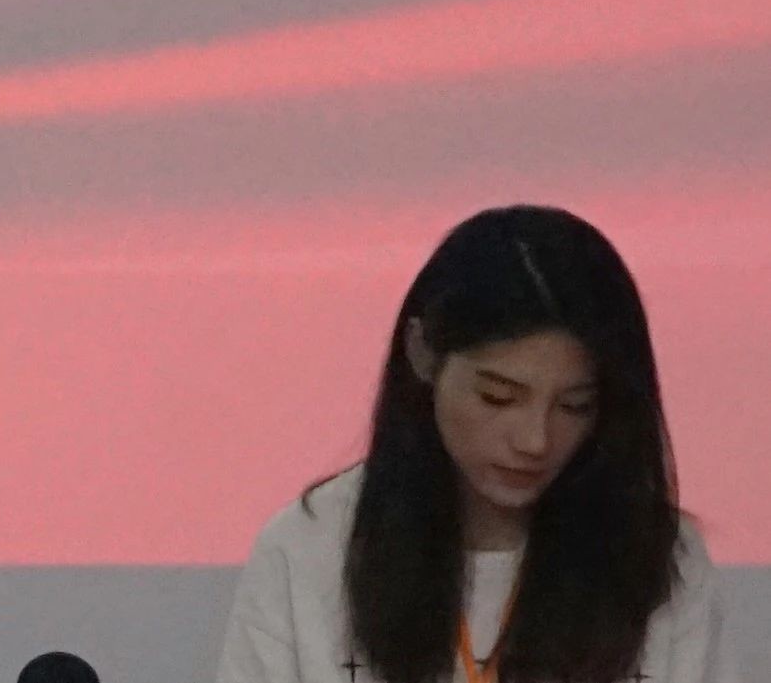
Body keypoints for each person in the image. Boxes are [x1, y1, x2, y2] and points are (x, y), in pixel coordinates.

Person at [218, 207, 717, 683]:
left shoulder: (660, 558)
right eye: (498, 397)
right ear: (422, 353)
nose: (535, 440)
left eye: (574, 406)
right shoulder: (307, 550)